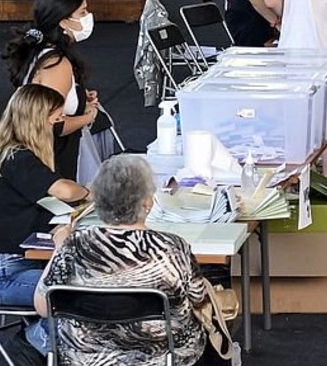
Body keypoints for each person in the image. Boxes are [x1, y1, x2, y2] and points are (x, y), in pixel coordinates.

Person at [32, 155, 222, 366]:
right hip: (163, 358)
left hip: (87, 360)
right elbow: (198, 297)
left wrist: (59, 248)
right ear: (148, 202)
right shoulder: (172, 248)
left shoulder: (74, 245)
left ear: (98, 201)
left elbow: (42, 307)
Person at [0, 85, 90, 355]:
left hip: (23, 259)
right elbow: (63, 190)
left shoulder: (14, 153)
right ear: (37, 120)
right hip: (6, 272)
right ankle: (31, 343)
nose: (59, 124)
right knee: (81, 295)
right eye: (55, 118)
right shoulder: (17, 158)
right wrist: (91, 192)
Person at [1, 0, 99, 179]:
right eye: (82, 12)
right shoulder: (56, 63)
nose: (88, 16)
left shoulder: (40, 51)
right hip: (52, 157)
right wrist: (89, 116)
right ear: (64, 22)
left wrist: (78, 97)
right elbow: (52, 123)